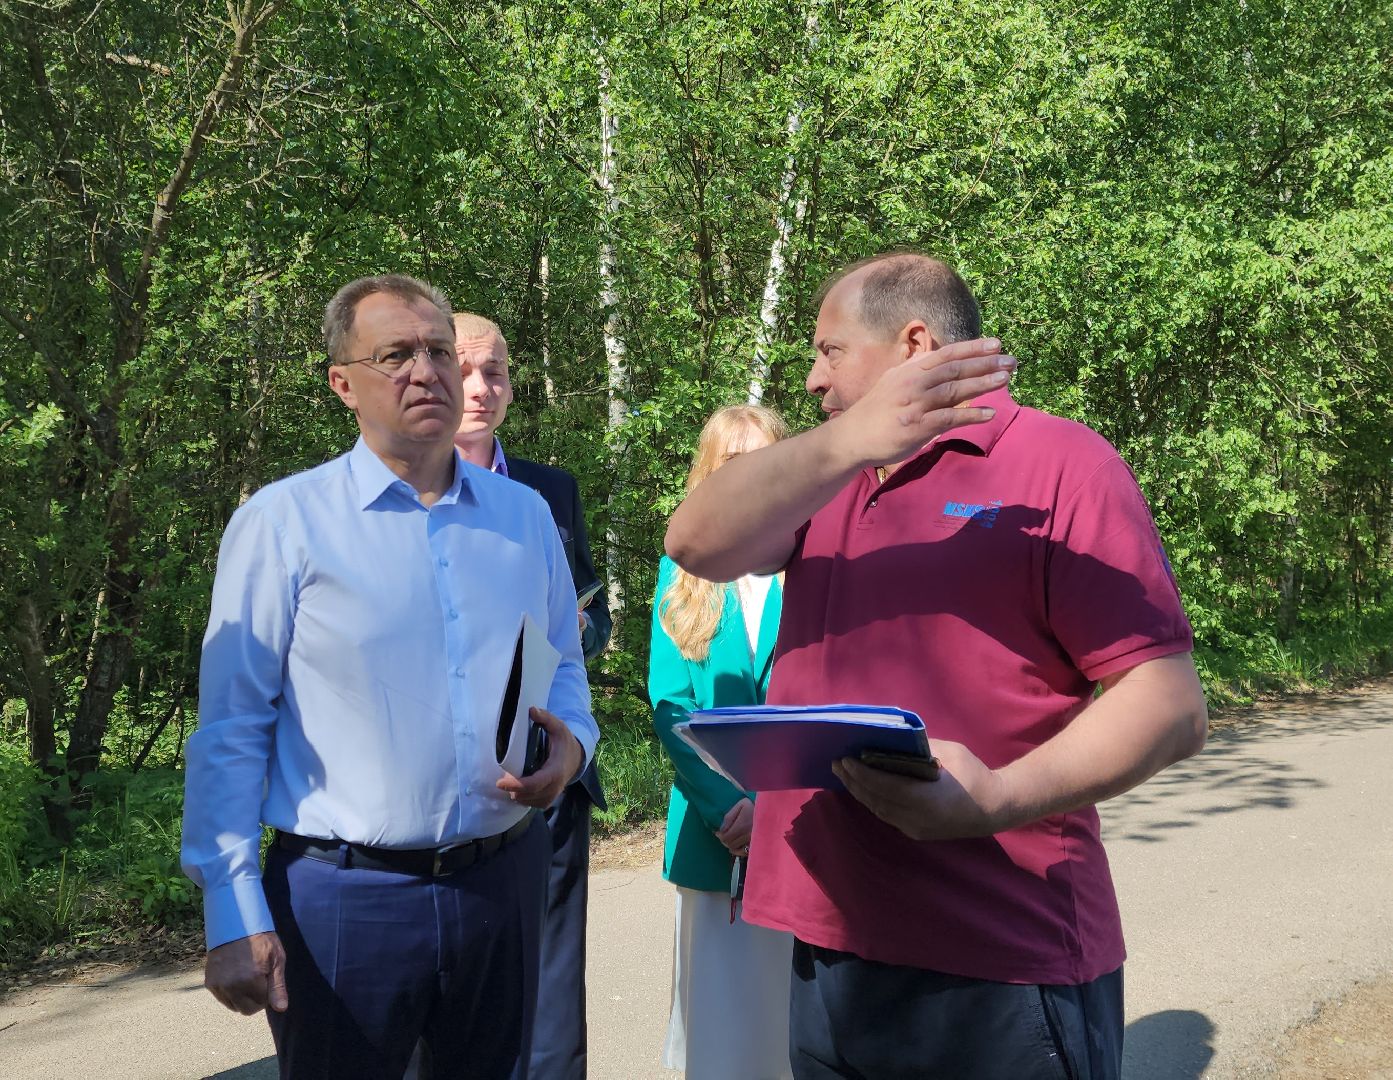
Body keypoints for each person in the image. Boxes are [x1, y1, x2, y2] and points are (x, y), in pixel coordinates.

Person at [664, 253, 1208, 1078]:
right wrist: (846, 439)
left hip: (1000, 952)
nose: (812, 379)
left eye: (831, 350)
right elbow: (693, 542)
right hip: (826, 942)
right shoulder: (827, 475)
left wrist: (997, 799)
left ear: (914, 343)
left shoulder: (1064, 464)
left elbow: (1168, 703)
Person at [180, 274, 598, 1080]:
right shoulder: (283, 523)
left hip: (500, 879)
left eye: (438, 349)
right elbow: (232, 729)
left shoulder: (524, 518)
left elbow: (564, 668)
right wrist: (231, 911)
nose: (427, 371)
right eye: (395, 354)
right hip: (344, 901)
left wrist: (571, 749)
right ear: (343, 383)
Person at [450, 312, 611, 1080]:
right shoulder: (373, 495)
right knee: (443, 995)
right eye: (465, 369)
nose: (482, 389)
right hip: (438, 792)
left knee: (549, 989)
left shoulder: (552, 490)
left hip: (547, 770)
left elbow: (593, 613)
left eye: (498, 371)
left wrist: (573, 629)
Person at [648, 404, 795, 1080]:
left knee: (790, 1017)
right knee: (718, 1016)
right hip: (713, 837)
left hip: (799, 827)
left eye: (764, 457)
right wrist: (727, 807)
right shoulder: (679, 574)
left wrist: (774, 804)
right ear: (709, 473)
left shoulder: (816, 564)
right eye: (734, 462)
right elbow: (669, 704)